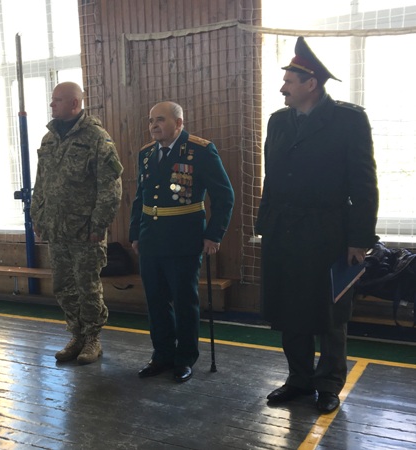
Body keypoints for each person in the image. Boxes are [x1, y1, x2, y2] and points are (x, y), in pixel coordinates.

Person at [255, 37, 379, 413]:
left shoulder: (349, 120)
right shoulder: (278, 121)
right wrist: (265, 226)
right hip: (284, 231)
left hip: (329, 233)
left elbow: (364, 183)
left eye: (288, 81)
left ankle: (328, 383)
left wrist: (359, 239)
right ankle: (298, 378)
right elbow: (272, 179)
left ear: (311, 83)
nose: (282, 88)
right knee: (289, 308)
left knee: (330, 313)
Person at [129, 101, 234, 382]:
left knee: (184, 301)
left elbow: (224, 196)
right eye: (151, 120)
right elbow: (140, 197)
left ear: (178, 123)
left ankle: (185, 357)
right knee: (156, 301)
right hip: (151, 238)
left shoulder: (200, 150)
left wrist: (213, 234)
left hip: (183, 239)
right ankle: (162, 354)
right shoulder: (147, 154)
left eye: (160, 120)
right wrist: (135, 233)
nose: (154, 125)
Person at [31, 82, 123, 365]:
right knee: (63, 286)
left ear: (74, 104)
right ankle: (76, 334)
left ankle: (93, 338)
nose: (52, 105)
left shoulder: (96, 137)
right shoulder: (49, 139)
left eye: (57, 100)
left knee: (88, 287)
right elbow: (41, 182)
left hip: (85, 231)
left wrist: (98, 225)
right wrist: (37, 216)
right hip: (56, 228)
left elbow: (110, 186)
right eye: (52, 100)